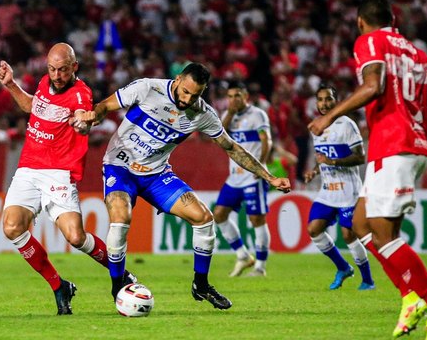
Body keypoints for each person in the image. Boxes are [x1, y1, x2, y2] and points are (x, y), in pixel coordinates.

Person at [308, 0, 427, 340]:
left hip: (396, 146)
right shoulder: (415, 52)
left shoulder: (370, 41)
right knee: (361, 224)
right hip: (404, 146)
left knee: (383, 234)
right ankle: (410, 297)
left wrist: (329, 117)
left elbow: (373, 85)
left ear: (361, 22)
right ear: (393, 20)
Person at [81, 63, 291, 309]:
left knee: (204, 217)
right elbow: (105, 105)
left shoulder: (202, 114)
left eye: (196, 95)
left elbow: (231, 147)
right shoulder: (147, 88)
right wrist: (94, 115)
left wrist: (269, 177)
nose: (188, 99)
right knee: (121, 217)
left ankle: (200, 285)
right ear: (178, 79)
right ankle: (118, 285)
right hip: (120, 166)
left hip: (156, 175)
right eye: (186, 91)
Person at [0, 43, 135, 315]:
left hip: (58, 172)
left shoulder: (80, 93)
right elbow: (32, 107)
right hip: (28, 168)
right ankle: (59, 286)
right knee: (12, 228)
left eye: (61, 70)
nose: (56, 75)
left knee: (75, 236)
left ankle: (120, 273)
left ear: (74, 67)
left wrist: (83, 122)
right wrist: (11, 85)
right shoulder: (44, 83)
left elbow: (83, 116)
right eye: (51, 69)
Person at [303, 84, 375, 291]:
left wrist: (333, 162)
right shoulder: (315, 127)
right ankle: (343, 267)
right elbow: (321, 157)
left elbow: (360, 157)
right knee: (314, 229)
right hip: (327, 190)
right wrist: (315, 170)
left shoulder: (347, 125)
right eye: (320, 100)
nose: (324, 104)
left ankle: (368, 280)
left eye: (328, 99)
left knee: (348, 234)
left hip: (348, 190)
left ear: (337, 101)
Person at [212, 81, 273, 277]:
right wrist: (229, 113)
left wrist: (261, 164)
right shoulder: (228, 117)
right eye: (230, 96)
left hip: (253, 176)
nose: (233, 100)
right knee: (219, 214)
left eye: (237, 95)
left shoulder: (257, 115)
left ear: (245, 96)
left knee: (256, 219)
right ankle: (243, 255)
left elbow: (267, 140)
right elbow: (217, 137)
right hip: (234, 177)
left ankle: (260, 267)